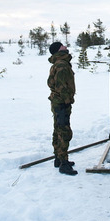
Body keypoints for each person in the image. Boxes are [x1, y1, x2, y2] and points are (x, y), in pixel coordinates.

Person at [47, 41, 78, 175]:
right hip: (61, 103)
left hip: (57, 102)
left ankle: (58, 158)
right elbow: (61, 86)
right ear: (59, 50)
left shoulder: (59, 63)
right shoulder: (61, 65)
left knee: (58, 130)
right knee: (64, 132)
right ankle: (64, 164)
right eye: (62, 46)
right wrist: (66, 101)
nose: (65, 46)